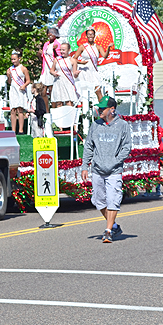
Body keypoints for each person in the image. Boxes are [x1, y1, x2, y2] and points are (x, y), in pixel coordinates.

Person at [81, 96, 132, 243]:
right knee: (99, 201)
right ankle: (114, 225)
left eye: (103, 108)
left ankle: (108, 231)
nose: (100, 110)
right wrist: (85, 166)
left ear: (112, 110)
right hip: (97, 169)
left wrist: (115, 161)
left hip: (114, 170)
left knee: (112, 199)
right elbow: (89, 146)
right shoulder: (95, 125)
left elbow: (126, 147)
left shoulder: (122, 125)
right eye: (100, 108)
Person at [72, 25, 112, 101]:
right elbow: (73, 59)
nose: (90, 35)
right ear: (86, 36)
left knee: (98, 91)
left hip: (93, 72)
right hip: (84, 71)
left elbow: (105, 56)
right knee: (84, 93)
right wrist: (81, 62)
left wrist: (108, 48)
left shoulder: (98, 47)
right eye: (89, 34)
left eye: (92, 34)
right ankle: (84, 111)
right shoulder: (82, 46)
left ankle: (102, 110)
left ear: (94, 35)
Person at [7, 49, 31, 135]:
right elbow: (9, 82)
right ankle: (13, 130)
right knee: (13, 110)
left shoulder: (23, 68)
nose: (13, 61)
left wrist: (24, 85)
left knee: (20, 110)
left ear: (19, 58)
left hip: (21, 91)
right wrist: (8, 76)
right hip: (13, 91)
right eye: (12, 59)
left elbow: (28, 80)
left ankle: (21, 130)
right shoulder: (10, 69)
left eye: (15, 59)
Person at [38, 26, 62, 103]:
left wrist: (55, 50)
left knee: (52, 91)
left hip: (53, 68)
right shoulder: (46, 44)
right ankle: (47, 111)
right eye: (49, 32)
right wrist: (39, 54)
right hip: (45, 70)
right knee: (43, 91)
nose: (50, 34)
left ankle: (54, 109)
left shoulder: (57, 44)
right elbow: (43, 58)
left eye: (53, 32)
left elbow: (59, 58)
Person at [51, 42, 79, 108]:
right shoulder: (57, 59)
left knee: (68, 102)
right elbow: (51, 70)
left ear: (69, 50)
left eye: (63, 50)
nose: (61, 51)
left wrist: (76, 74)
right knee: (58, 102)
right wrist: (53, 73)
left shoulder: (73, 60)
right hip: (58, 82)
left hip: (68, 83)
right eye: (60, 50)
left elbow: (74, 74)